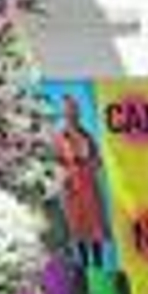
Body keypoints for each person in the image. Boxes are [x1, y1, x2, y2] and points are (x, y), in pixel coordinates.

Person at [54, 92, 109, 267]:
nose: (71, 116)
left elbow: (98, 160)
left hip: (89, 185)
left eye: (74, 112)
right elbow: (56, 162)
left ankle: (98, 264)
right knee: (78, 229)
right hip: (72, 187)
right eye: (68, 113)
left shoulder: (87, 136)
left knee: (95, 229)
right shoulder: (60, 137)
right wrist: (66, 173)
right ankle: (85, 266)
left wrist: (89, 164)